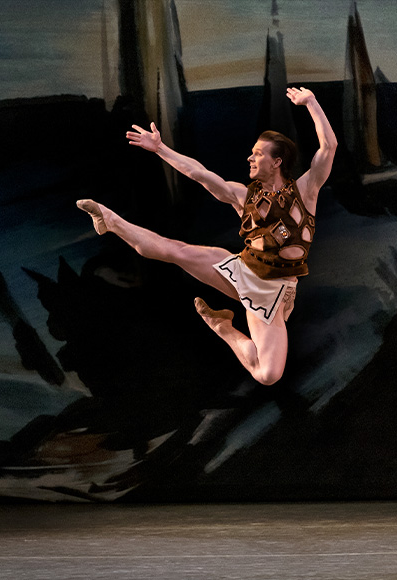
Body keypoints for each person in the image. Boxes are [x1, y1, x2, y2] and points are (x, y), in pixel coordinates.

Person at [77, 87, 336, 385]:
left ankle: (222, 327)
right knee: (175, 251)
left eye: (258, 153)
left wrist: (312, 102)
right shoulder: (243, 195)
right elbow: (199, 174)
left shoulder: (305, 191)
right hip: (244, 272)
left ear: (277, 162)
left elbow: (328, 147)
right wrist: (161, 148)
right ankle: (109, 219)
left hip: (273, 293)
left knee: (267, 374)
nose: (250, 158)